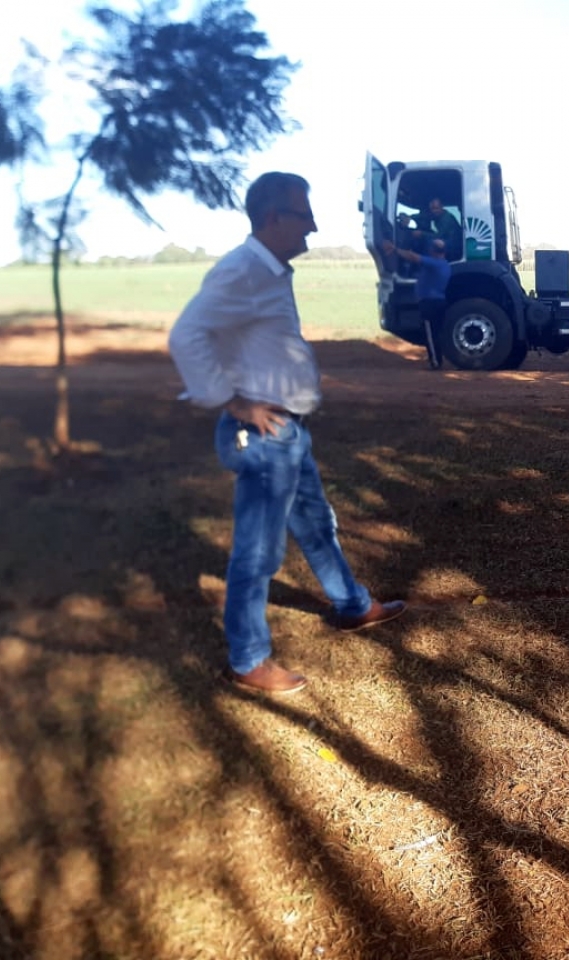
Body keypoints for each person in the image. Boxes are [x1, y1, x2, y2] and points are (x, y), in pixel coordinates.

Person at [168, 171, 407, 696]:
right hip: (264, 436)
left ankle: (352, 605)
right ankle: (248, 660)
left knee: (317, 524)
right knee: (257, 553)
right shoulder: (242, 271)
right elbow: (187, 334)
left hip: (288, 433)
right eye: (304, 215)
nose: (314, 226)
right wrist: (232, 401)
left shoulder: (269, 270)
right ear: (273, 218)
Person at [381, 234, 451, 369]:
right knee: (435, 333)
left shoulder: (434, 263)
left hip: (430, 303)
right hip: (438, 302)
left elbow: (413, 257)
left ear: (433, 251)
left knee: (430, 334)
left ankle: (435, 362)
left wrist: (395, 249)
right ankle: (436, 359)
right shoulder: (444, 265)